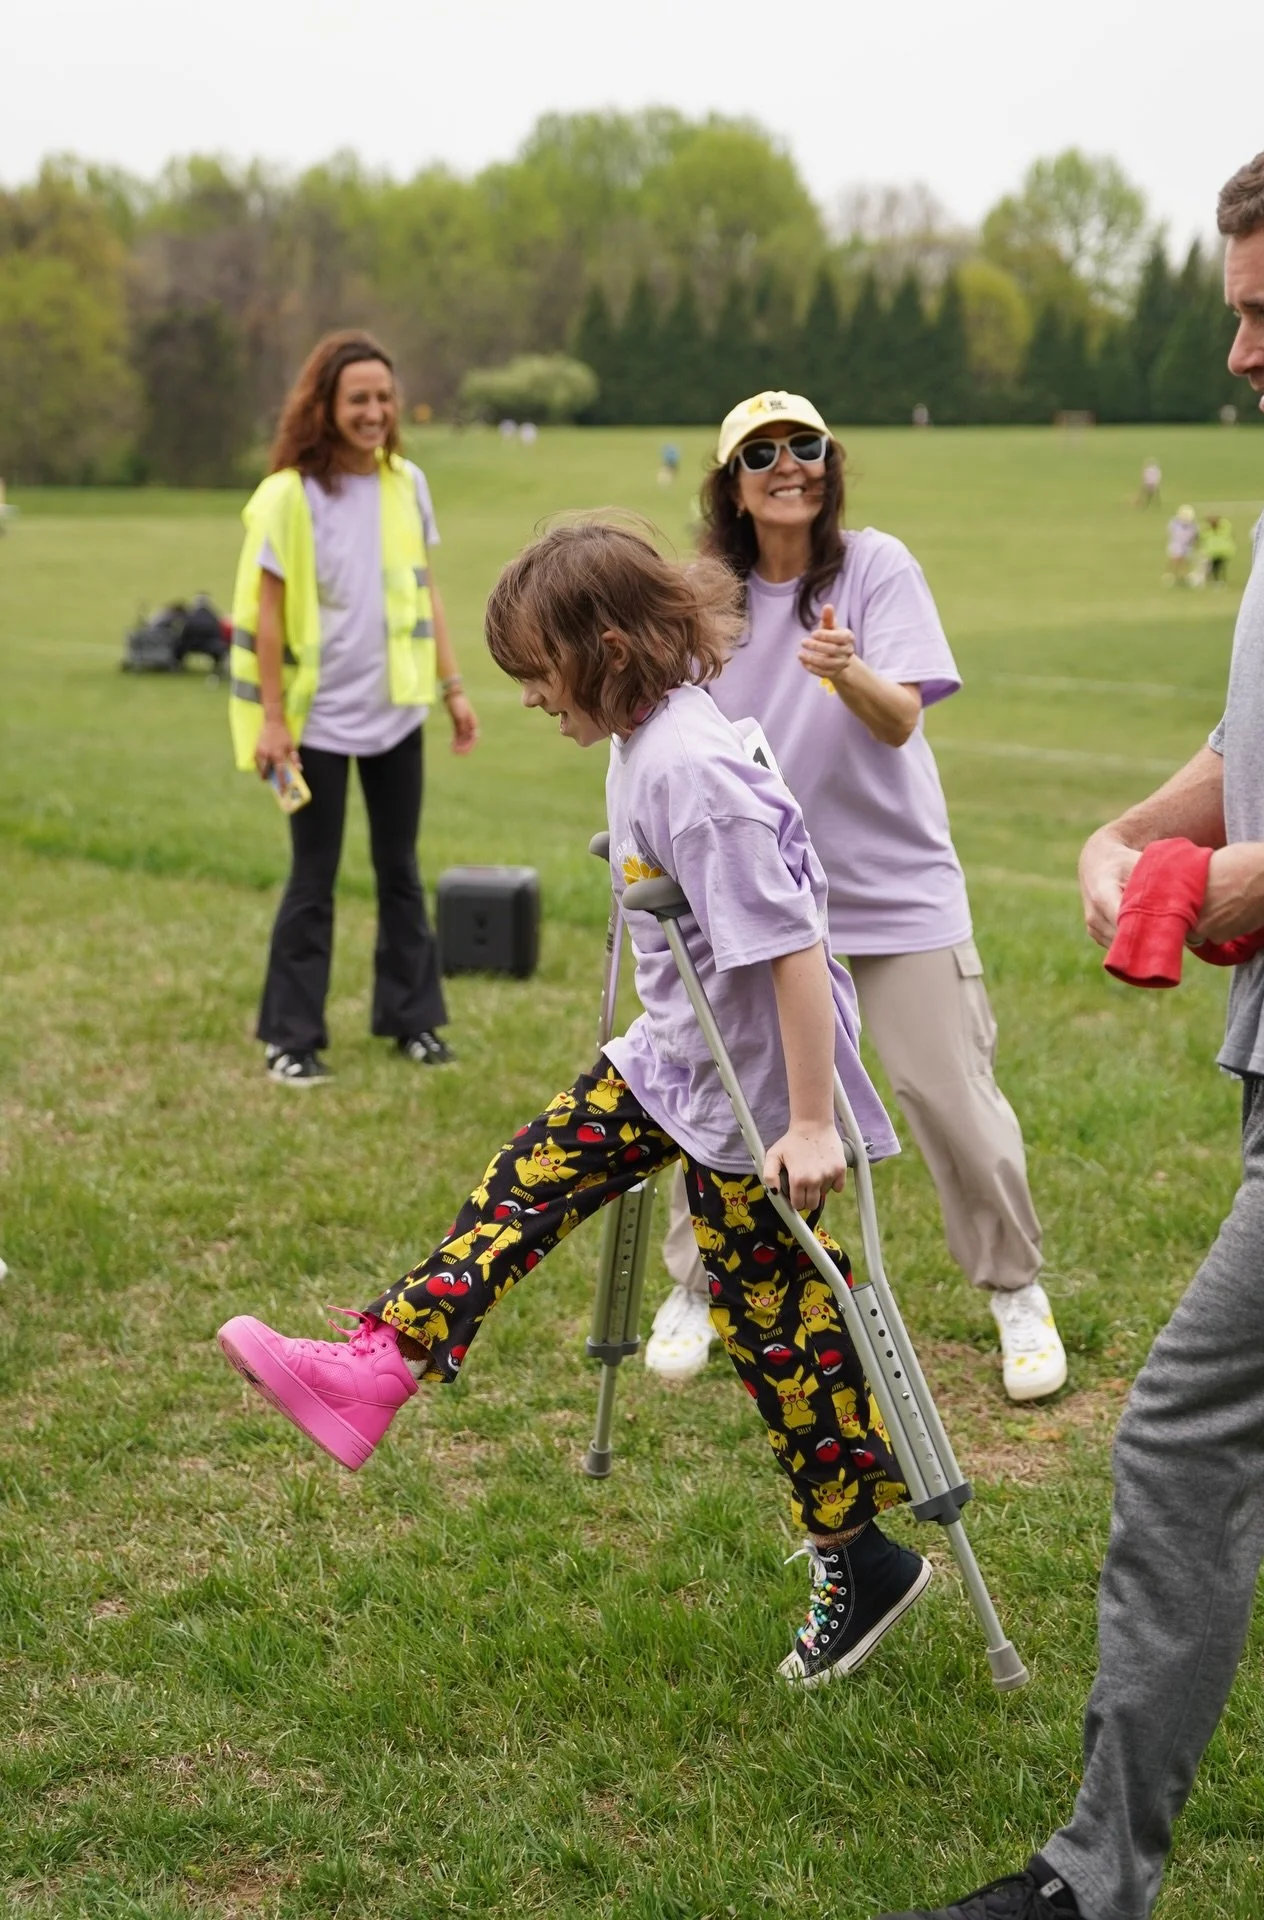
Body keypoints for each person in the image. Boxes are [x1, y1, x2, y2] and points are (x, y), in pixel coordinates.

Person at [877, 103, 1264, 1920]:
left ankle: (1093, 1874)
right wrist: (1145, 825)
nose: (1240, 352)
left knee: (1187, 1420)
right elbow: (1246, 742)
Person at [219, 522, 935, 1688]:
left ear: (606, 650)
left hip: (752, 1096)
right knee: (529, 1178)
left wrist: (811, 1122)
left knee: (775, 1327)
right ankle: (377, 1366)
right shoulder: (648, 734)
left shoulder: (693, 776)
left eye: (537, 673)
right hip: (675, 1060)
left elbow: (793, 949)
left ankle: (863, 1561)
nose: (532, 699)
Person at [641, 389, 1067, 1407]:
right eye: (762, 454)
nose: (789, 465)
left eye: (807, 446)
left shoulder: (876, 567)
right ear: (732, 486)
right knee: (727, 1096)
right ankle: (698, 1287)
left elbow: (900, 721)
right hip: (761, 895)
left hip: (893, 885)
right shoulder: (704, 593)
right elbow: (662, 726)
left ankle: (1017, 1293)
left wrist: (848, 670)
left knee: (949, 1095)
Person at [229, 331, 478, 1086]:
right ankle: (291, 1038)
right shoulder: (287, 495)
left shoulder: (408, 483)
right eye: (358, 399)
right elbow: (268, 616)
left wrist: (453, 687)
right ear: (325, 406)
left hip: (396, 712)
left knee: (400, 869)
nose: (374, 412)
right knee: (315, 876)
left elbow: (423, 588)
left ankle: (414, 1022)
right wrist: (274, 719)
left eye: (383, 398)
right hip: (317, 723)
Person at [1162, 503, 1199, 585]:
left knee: (1185, 562)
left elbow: (1195, 536)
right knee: (1175, 560)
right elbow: (1171, 532)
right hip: (1177, 544)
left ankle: (1184, 578)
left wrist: (1193, 543)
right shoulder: (1174, 522)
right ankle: (1171, 576)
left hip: (1187, 546)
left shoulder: (1193, 525)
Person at [1198, 512, 1235, 585]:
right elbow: (1202, 536)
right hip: (1213, 552)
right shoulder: (1208, 530)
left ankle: (1222, 581)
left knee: (1221, 567)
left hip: (1223, 551)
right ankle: (1216, 581)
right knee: (1214, 568)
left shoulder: (1224, 527)